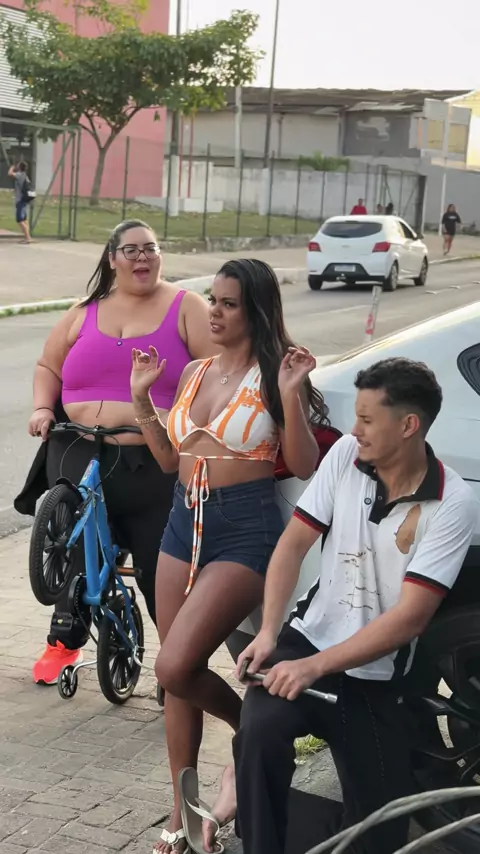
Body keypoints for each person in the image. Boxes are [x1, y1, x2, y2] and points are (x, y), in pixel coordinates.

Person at [234, 357, 479, 854]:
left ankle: (283, 818)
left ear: (408, 426)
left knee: (380, 833)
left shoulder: (454, 503)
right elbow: (293, 544)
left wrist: (314, 668)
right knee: (257, 736)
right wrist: (269, 634)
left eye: (367, 419)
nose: (355, 430)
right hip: (309, 639)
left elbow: (410, 618)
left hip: (378, 675)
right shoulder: (346, 454)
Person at [129, 258, 329, 854]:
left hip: (244, 528)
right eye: (212, 299)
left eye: (228, 303)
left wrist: (290, 396)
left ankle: (253, 729)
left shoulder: (278, 373)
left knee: (174, 667)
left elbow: (306, 464)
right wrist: (142, 398)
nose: (213, 312)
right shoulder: (195, 372)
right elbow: (170, 460)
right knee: (178, 678)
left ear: (257, 310)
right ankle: (182, 809)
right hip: (181, 522)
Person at [15, 219, 214, 686]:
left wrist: (186, 420)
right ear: (112, 258)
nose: (143, 257)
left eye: (151, 248)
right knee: (73, 552)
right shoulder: (84, 310)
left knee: (158, 568)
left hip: (150, 465)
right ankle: (63, 643)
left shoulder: (186, 307)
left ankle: (179, 668)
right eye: (131, 250)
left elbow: (217, 372)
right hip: (77, 449)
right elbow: (48, 365)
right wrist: (43, 407)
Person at [8, 161, 32, 243]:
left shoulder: (20, 174)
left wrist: (12, 167)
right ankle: (27, 237)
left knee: (19, 220)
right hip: (24, 200)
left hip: (20, 200)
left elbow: (10, 174)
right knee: (24, 219)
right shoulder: (25, 176)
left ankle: (27, 238)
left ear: (20, 167)